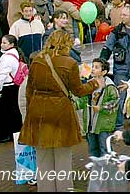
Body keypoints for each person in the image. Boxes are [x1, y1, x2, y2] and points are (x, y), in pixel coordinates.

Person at [18, 30, 100, 192]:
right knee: (62, 162)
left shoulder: (37, 61)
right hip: (61, 113)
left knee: (43, 162)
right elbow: (78, 90)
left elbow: (30, 90)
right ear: (66, 44)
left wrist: (30, 114)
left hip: (38, 112)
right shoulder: (69, 63)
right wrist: (94, 84)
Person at [77, 58, 120, 157]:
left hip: (103, 124)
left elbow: (115, 102)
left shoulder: (109, 87)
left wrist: (102, 107)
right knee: (92, 149)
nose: (92, 69)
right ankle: (96, 168)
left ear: (104, 72)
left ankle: (107, 169)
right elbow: (82, 100)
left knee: (104, 148)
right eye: (92, 66)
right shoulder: (89, 85)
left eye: (96, 67)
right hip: (90, 123)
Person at [0, 34, 24, 143]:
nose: (2, 45)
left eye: (4, 43)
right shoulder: (15, 55)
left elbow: (0, 76)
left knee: (4, 113)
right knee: (14, 111)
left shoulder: (7, 58)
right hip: (14, 87)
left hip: (7, 87)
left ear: (11, 44)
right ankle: (14, 133)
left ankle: (3, 135)